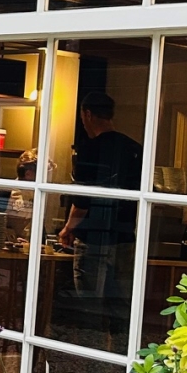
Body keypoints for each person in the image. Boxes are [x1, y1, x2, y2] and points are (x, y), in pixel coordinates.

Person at [57, 91, 142, 333]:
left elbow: (82, 201)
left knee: (90, 304)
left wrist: (67, 229)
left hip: (93, 238)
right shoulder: (134, 148)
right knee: (122, 305)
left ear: (88, 114)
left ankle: (92, 354)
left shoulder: (89, 150)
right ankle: (121, 352)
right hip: (125, 237)